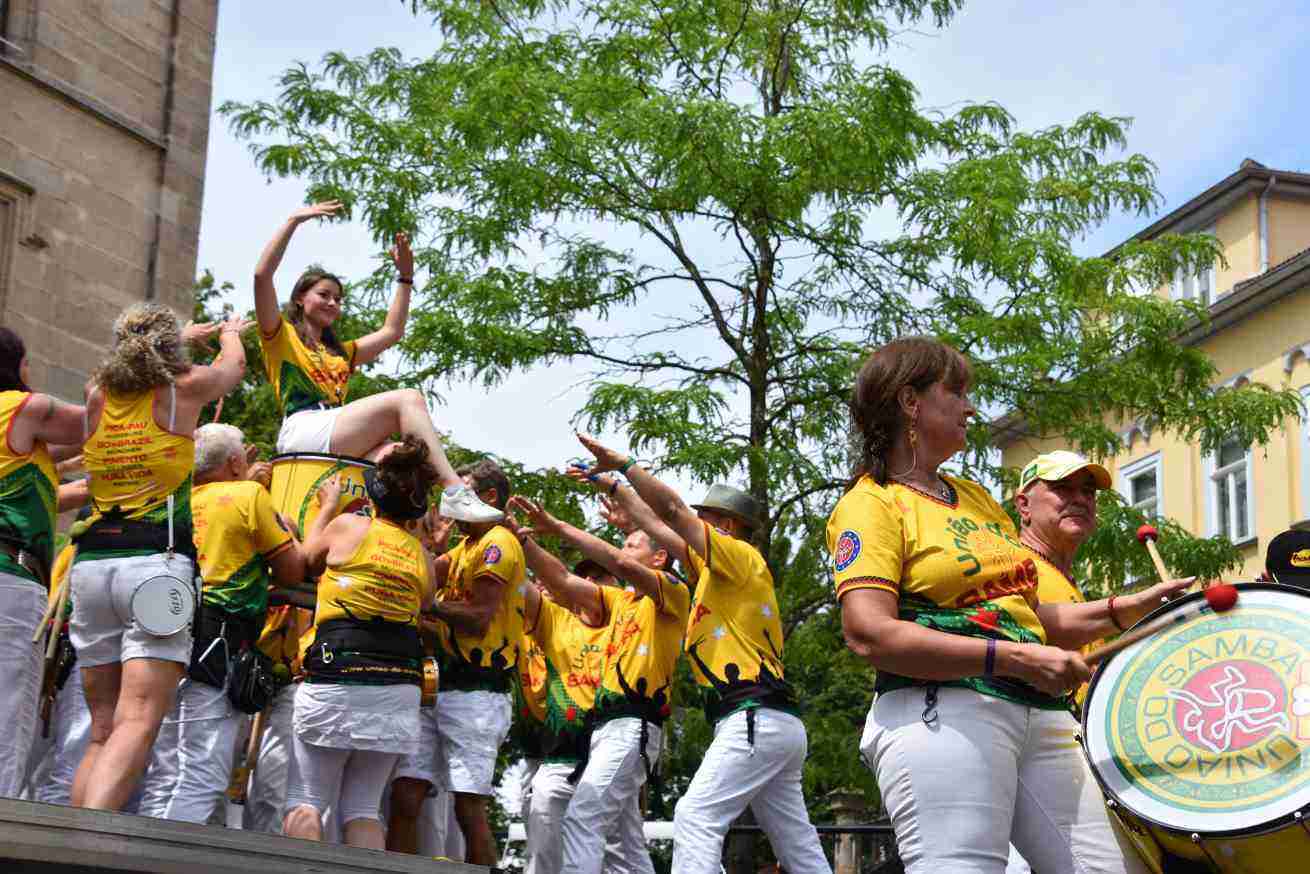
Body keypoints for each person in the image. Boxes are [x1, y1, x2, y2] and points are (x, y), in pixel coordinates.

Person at [830, 336, 1160, 874]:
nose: (970, 406)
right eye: (956, 391)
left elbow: (1030, 619)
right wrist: (1015, 659)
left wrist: (1124, 608)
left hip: (1039, 714)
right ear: (910, 402)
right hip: (941, 710)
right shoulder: (870, 503)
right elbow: (869, 633)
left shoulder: (977, 498)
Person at [571, 433, 830, 874]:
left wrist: (624, 467)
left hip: (753, 717)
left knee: (695, 818)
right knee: (797, 844)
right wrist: (615, 491)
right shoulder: (719, 571)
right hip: (772, 721)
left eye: (703, 518)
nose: (691, 523)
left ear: (725, 527)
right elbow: (660, 526)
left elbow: (670, 514)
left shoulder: (735, 555)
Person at [68, 304, 248, 812]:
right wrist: (231, 334)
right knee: (139, 721)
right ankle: (89, 845)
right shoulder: (180, 387)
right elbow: (232, 371)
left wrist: (175, 339)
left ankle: (60, 843)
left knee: (101, 729)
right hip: (154, 563)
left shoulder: (97, 393)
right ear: (171, 347)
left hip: (91, 564)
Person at [252, 200, 499, 523]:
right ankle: (455, 491)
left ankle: (407, 531)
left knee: (402, 458)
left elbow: (393, 331)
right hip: (305, 427)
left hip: (335, 430)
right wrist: (293, 220)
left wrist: (406, 278)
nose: (332, 302)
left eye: (338, 299)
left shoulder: (342, 352)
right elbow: (261, 275)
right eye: (324, 294)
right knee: (407, 399)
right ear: (300, 298)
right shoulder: (280, 336)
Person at [138, 423, 336, 823]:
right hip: (217, 639)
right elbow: (294, 570)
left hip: (162, 631)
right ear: (233, 462)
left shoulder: (174, 499)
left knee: (164, 770)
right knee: (203, 773)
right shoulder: (248, 494)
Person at [511, 484, 689, 874]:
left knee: (582, 817)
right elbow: (559, 579)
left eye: (630, 543)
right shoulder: (620, 601)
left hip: (633, 724)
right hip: (606, 729)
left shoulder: (673, 594)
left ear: (659, 556)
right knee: (624, 848)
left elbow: (622, 566)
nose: (622, 551)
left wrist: (558, 527)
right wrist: (520, 542)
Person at [283, 436, 439, 849]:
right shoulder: (421, 554)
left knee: (307, 799)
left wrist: (327, 509)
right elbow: (427, 601)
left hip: (336, 675)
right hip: (399, 685)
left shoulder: (349, 526)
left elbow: (303, 561)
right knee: (364, 808)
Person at [0, 326, 89, 797]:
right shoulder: (24, 408)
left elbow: (43, 487)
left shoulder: (18, 437)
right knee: (8, 719)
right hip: (8, 581)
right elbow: (91, 424)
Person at [427, 459, 526, 865]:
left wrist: (428, 606)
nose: (453, 503)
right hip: (441, 688)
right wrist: (429, 545)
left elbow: (477, 618)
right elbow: (426, 574)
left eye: (462, 492)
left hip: (479, 694)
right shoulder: (466, 544)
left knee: (469, 809)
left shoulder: (497, 541)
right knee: (407, 793)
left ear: (488, 498)